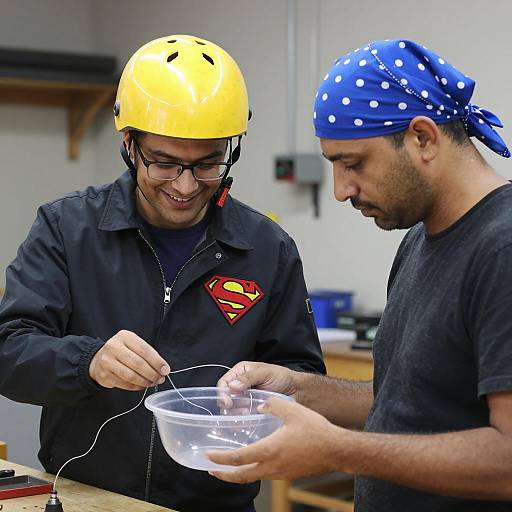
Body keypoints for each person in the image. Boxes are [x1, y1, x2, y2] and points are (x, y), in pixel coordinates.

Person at [0, 35, 325, 512]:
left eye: (208, 163)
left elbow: (302, 379)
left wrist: (261, 402)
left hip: (217, 502)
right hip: (86, 498)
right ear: (129, 145)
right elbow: (9, 349)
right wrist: (87, 361)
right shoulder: (67, 229)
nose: (186, 186)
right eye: (165, 163)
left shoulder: (268, 249)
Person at [208, 39, 512, 511]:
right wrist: (299, 390)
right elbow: (411, 405)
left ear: (423, 138)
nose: (341, 190)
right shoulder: (418, 243)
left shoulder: (502, 249)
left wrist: (338, 448)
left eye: (353, 164)